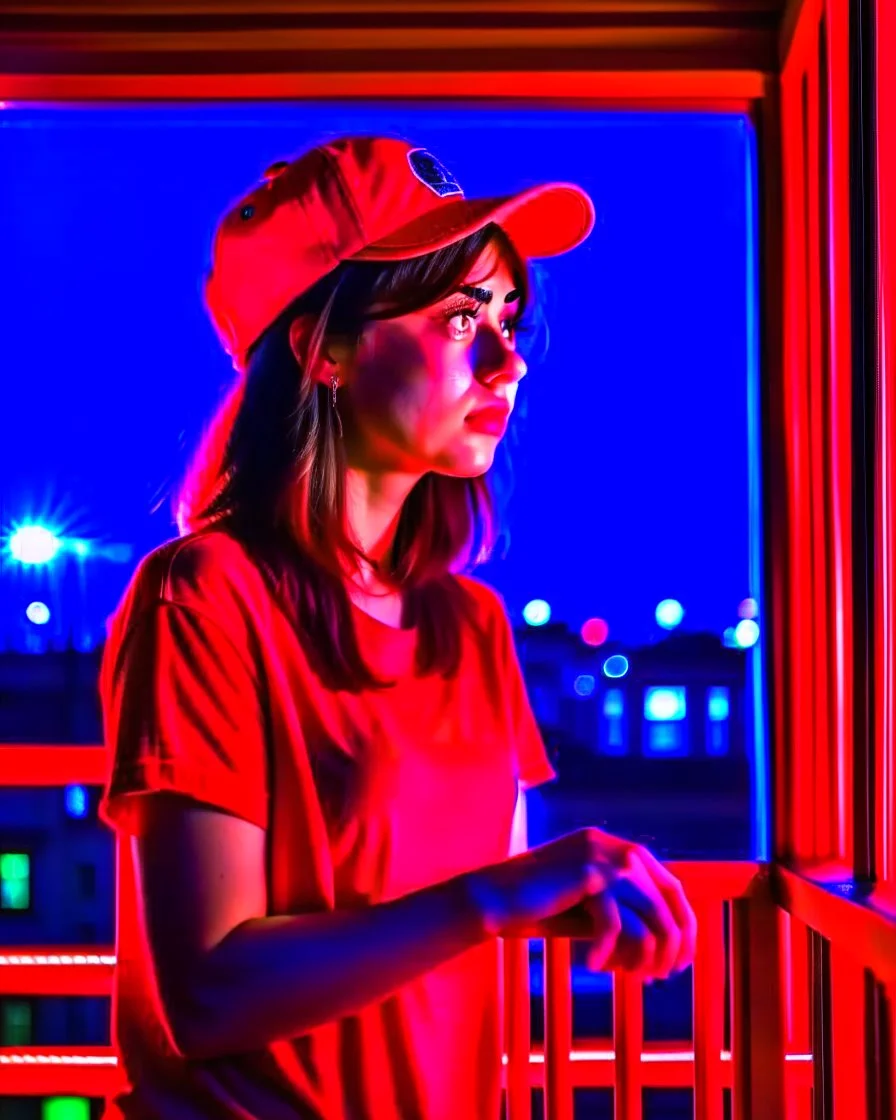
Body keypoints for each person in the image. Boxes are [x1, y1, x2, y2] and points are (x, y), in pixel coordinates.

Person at [98, 135, 697, 1120]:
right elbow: (207, 992)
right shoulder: (202, 595)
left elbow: (432, 901)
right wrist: (498, 898)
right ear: (322, 348)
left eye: (509, 314)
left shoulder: (470, 624)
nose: (507, 359)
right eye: (461, 317)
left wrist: (561, 899)